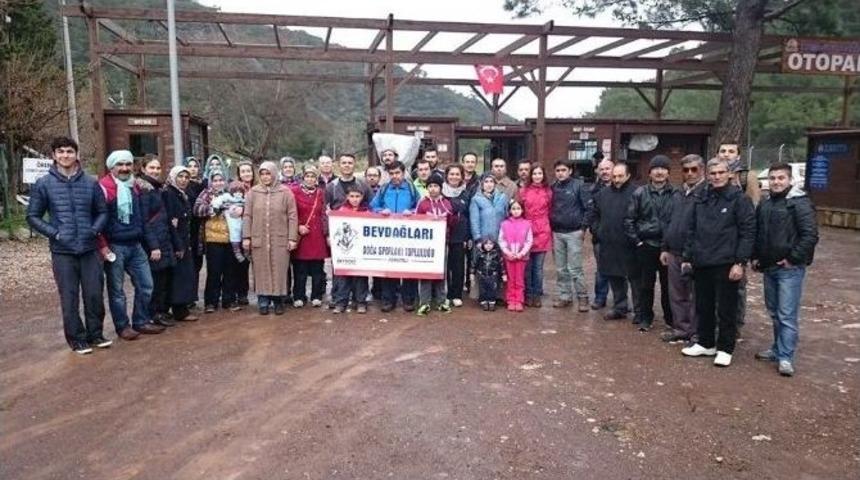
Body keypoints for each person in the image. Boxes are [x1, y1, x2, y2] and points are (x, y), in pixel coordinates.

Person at [27, 136, 109, 354]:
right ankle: (77, 339)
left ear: (76, 154)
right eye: (61, 152)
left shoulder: (91, 183)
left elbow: (102, 212)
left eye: (69, 151)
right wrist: (55, 233)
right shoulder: (44, 184)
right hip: (63, 251)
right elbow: (33, 216)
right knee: (69, 297)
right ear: (54, 155)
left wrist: (94, 230)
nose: (65, 155)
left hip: (89, 248)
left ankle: (96, 334)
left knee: (94, 294)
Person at [681, 157, 755, 368]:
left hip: (727, 263)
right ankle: (706, 343)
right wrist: (688, 257)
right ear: (707, 175)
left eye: (721, 172)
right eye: (713, 173)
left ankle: (725, 348)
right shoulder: (702, 198)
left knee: (726, 309)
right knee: (703, 306)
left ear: (729, 174)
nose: (717, 177)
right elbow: (692, 229)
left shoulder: (740, 200)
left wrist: (740, 262)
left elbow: (748, 232)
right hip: (702, 261)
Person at [752, 163, 818, 377]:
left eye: (781, 178)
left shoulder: (800, 203)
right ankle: (777, 348)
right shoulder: (765, 203)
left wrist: (792, 258)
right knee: (774, 312)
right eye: (772, 178)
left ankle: (786, 357)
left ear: (790, 180)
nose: (776, 182)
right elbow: (758, 232)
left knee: (787, 314)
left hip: (789, 269)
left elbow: (810, 235)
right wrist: (755, 256)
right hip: (769, 266)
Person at [97, 150, 165, 338]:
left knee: (146, 285)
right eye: (120, 164)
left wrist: (150, 242)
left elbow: (143, 216)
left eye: (128, 164)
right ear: (111, 167)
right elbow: (97, 218)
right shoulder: (103, 188)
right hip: (114, 245)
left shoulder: (134, 186)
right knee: (117, 291)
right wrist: (103, 246)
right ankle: (123, 327)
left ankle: (141, 321)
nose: (124, 168)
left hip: (135, 244)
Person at [624, 155, 675, 332]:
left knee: (668, 285)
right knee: (646, 285)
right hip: (646, 245)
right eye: (656, 168)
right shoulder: (640, 193)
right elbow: (629, 220)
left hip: (668, 247)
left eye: (663, 168)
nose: (659, 172)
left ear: (668, 172)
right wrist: (637, 241)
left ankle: (670, 318)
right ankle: (646, 317)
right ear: (650, 172)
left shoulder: (676, 194)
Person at [660, 154, 706, 344]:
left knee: (695, 295)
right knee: (677, 294)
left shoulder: (706, 193)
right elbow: (668, 221)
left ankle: (696, 332)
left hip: (695, 254)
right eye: (686, 170)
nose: (690, 173)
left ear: (702, 170)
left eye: (694, 169)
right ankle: (681, 328)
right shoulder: (678, 194)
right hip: (674, 251)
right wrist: (664, 247)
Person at [242, 161, 299, 315]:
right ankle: (263, 300)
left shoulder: (285, 192)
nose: (265, 177)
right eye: (262, 174)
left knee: (280, 269)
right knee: (260, 269)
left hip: (280, 239)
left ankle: (278, 300)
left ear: (274, 174)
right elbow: (247, 215)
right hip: (259, 239)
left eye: (268, 174)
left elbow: (292, 216)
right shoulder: (253, 193)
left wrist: (292, 238)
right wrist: (246, 237)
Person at [370, 161, 420, 312]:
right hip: (388, 235)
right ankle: (388, 300)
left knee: (409, 267)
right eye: (391, 173)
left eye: (397, 173)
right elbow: (373, 206)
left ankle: (408, 299)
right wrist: (381, 211)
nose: (395, 176)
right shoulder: (384, 189)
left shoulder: (411, 188)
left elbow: (419, 207)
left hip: (408, 235)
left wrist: (412, 212)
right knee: (389, 267)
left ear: (403, 173)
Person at [592, 163, 638, 321]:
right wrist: (598, 230)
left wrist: (636, 237)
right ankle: (620, 307)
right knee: (614, 277)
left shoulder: (637, 193)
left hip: (630, 243)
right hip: (609, 242)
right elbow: (595, 214)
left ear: (628, 176)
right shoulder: (603, 194)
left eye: (620, 176)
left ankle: (640, 310)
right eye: (614, 176)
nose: (617, 180)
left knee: (635, 278)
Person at [138, 157, 178, 327]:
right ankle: (154, 313)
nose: (155, 171)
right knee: (156, 280)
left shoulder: (157, 188)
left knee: (164, 278)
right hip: (154, 241)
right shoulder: (144, 190)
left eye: (157, 168)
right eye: (151, 167)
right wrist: (153, 246)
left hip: (164, 238)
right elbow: (145, 220)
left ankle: (161, 310)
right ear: (143, 168)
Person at [194, 169, 240, 313]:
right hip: (213, 238)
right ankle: (211, 301)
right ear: (211, 182)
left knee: (230, 271)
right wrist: (213, 208)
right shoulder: (206, 194)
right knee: (214, 271)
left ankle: (229, 300)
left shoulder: (231, 193)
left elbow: (241, 206)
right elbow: (197, 210)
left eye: (221, 180)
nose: (218, 183)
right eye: (215, 180)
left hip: (231, 238)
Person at [549, 159, 590, 311]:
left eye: (563, 170)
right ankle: (565, 296)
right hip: (557, 232)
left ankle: (582, 297)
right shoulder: (553, 187)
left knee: (575, 268)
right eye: (558, 170)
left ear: (570, 171)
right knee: (561, 268)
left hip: (574, 232)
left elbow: (588, 208)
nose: (560, 173)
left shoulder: (579, 186)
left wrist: (583, 228)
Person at [161, 165, 199, 323]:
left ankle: (180, 309)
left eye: (186, 177)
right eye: (180, 177)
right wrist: (178, 245)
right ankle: (178, 310)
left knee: (183, 275)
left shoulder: (182, 194)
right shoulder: (169, 194)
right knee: (178, 277)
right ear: (173, 177)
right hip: (176, 242)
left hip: (184, 240)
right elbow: (171, 221)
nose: (183, 180)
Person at [290, 165, 330, 308]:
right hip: (302, 233)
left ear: (316, 179)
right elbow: (291, 212)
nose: (310, 179)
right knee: (300, 268)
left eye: (313, 176)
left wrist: (326, 233)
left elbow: (325, 213)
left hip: (317, 235)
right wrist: (297, 226)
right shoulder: (294, 192)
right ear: (303, 177)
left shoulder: (321, 193)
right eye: (307, 176)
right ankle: (299, 296)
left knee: (317, 269)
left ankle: (316, 295)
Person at [415, 173, 454, 315]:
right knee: (426, 272)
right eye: (430, 186)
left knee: (441, 272)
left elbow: (451, 222)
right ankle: (424, 302)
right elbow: (416, 221)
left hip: (442, 242)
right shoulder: (423, 203)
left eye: (435, 186)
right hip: (427, 244)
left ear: (440, 187)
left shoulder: (447, 203)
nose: (433, 189)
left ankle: (441, 301)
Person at [331, 186, 370, 314]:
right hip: (345, 250)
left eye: (357, 196)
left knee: (360, 277)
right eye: (352, 196)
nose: (354, 199)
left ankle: (361, 302)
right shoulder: (341, 211)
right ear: (347, 197)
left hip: (361, 250)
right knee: (343, 278)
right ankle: (341, 302)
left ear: (362, 197)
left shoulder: (367, 212)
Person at [517, 165, 552, 307]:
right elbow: (519, 209)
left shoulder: (548, 191)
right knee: (527, 267)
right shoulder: (523, 191)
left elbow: (551, 209)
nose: (537, 176)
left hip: (542, 231)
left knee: (538, 268)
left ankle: (537, 295)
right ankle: (528, 294)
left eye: (540, 173)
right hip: (527, 231)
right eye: (535, 173)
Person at [586, 158, 614, 310]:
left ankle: (620, 300)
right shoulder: (593, 190)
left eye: (607, 169)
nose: (605, 172)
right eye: (602, 169)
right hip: (600, 237)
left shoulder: (622, 188)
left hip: (619, 237)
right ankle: (600, 298)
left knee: (621, 270)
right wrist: (597, 230)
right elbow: (591, 213)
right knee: (601, 269)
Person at [442, 164, 470, 307]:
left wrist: (468, 236)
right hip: (443, 233)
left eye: (457, 174)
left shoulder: (466, 193)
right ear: (447, 176)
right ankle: (446, 293)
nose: (454, 177)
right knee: (444, 266)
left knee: (458, 266)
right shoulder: (440, 192)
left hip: (460, 234)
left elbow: (468, 214)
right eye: (451, 174)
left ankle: (456, 294)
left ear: (461, 176)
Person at [499, 199, 533, 312]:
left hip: (521, 257)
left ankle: (519, 300)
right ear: (509, 210)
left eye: (518, 208)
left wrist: (521, 253)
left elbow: (529, 240)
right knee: (510, 279)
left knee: (519, 279)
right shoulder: (504, 224)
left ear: (522, 210)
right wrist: (508, 252)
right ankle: (510, 300)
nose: (516, 211)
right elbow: (501, 240)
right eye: (513, 209)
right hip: (509, 256)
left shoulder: (527, 224)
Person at [229, 161, 255, 305]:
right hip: (239, 231)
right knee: (241, 263)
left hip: (256, 229)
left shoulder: (257, 188)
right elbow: (231, 208)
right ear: (239, 174)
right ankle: (241, 293)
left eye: (248, 171)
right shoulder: (235, 188)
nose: (246, 174)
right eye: (243, 171)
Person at [184, 157, 206, 307]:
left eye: (195, 166)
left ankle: (192, 296)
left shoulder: (203, 185)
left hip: (199, 230)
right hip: (188, 229)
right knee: (188, 264)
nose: (193, 169)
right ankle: (186, 297)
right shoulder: (184, 186)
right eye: (189, 166)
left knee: (197, 263)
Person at [470, 174, 508, 242]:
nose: (489, 184)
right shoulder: (476, 199)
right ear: (482, 184)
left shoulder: (502, 197)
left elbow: (506, 216)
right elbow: (474, 221)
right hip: (484, 239)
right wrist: (477, 238)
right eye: (486, 182)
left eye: (491, 181)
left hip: (500, 238)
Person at [364, 165, 384, 301]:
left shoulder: (383, 191)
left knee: (379, 262)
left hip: (379, 232)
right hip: (364, 231)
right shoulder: (360, 190)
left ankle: (378, 290)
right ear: (365, 177)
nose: (372, 178)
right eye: (369, 175)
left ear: (379, 177)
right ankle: (362, 292)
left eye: (375, 175)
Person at [473, 237, 504, 311]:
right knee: (483, 289)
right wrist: (472, 272)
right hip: (482, 274)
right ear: (483, 245)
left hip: (493, 275)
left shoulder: (496, 254)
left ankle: (491, 302)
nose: (488, 245)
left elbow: (501, 264)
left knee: (492, 289)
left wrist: (503, 274)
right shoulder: (480, 254)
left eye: (490, 244)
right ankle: (484, 302)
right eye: (486, 244)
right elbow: (474, 263)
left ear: (494, 245)